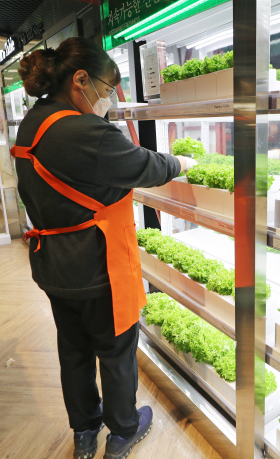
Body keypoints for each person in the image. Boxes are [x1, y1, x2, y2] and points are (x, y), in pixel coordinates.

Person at [12, 37, 196, 459]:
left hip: (54, 266)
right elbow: (143, 165)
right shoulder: (82, 131)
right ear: (80, 80)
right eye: (108, 89)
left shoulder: (34, 121)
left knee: (73, 350)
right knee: (115, 351)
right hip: (98, 267)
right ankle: (123, 432)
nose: (109, 100)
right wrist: (181, 163)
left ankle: (84, 431)